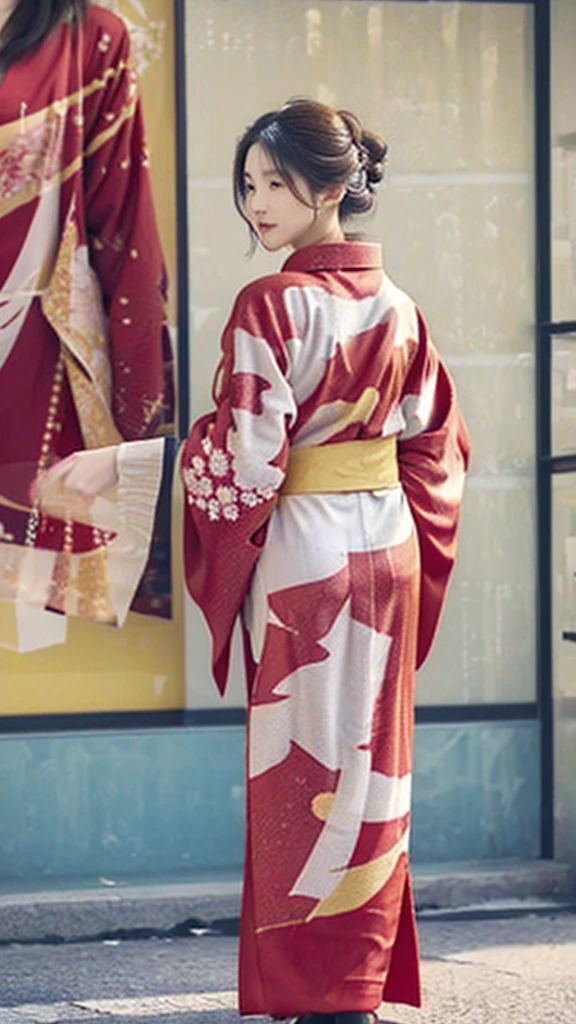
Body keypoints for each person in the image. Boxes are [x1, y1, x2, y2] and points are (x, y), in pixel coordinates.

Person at [38, 99, 471, 1022]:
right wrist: (404, 527)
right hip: (384, 545)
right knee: (370, 768)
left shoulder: (271, 303)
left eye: (277, 182)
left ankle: (319, 988)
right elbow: (440, 445)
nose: (258, 202)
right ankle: (356, 978)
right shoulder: (400, 309)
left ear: (334, 187)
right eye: (249, 183)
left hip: (307, 558)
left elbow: (244, 461)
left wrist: (126, 464)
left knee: (303, 770)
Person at [0, 1, 173, 643]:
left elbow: (122, 222)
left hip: (36, 336)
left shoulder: (91, 37)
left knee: (30, 607)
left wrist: (133, 424)